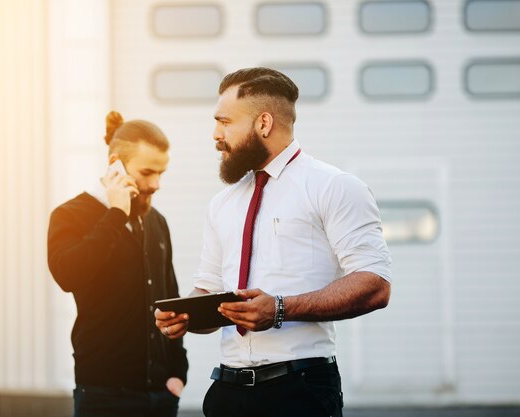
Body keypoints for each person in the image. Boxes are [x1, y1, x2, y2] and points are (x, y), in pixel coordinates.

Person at [155, 67, 391, 417]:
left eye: (225, 121)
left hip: (299, 392)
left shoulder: (334, 187)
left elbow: (375, 285)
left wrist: (280, 309)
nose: (216, 135)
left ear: (263, 123)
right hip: (227, 393)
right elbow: (207, 291)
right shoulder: (222, 203)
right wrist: (187, 315)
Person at [48, 111, 188, 417]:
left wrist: (178, 374)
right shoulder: (69, 215)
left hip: (161, 397)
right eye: (148, 172)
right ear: (116, 163)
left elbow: (171, 301)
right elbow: (67, 275)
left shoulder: (157, 223)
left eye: (161, 173)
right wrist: (115, 215)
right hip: (103, 397)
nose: (156, 184)